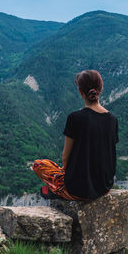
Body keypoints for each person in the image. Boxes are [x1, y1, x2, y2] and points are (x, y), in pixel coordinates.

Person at [32, 70, 119, 200]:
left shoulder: (75, 118)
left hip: (78, 188)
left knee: (38, 164)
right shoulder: (112, 119)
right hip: (104, 187)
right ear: (100, 89)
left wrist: (65, 172)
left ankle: (58, 191)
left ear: (80, 91)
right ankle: (55, 190)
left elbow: (65, 157)